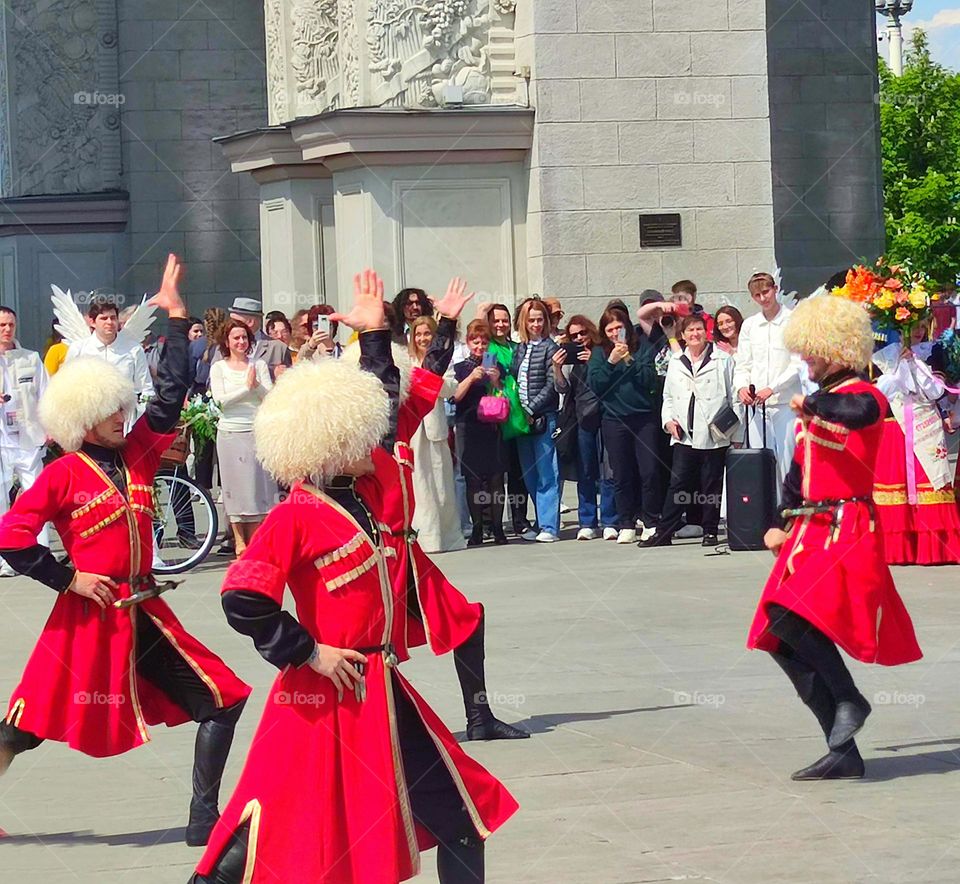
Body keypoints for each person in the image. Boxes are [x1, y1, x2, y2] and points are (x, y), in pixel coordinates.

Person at [190, 270, 518, 884]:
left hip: (380, 687)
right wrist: (308, 651)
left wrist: (378, 336)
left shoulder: (364, 486)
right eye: (357, 434)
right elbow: (241, 597)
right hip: (320, 696)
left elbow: (390, 397)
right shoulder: (296, 514)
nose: (373, 438)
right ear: (326, 443)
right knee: (258, 831)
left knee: (464, 815)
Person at [0, 255, 250, 845]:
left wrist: (175, 318)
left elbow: (166, 399)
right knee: (26, 726)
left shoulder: (137, 453)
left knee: (223, 700)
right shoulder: (61, 475)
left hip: (144, 614)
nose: (123, 415)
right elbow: (11, 536)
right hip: (86, 620)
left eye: (121, 405)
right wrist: (68, 580)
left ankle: (201, 818)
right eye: (110, 410)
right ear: (84, 418)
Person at [747, 294, 922, 781]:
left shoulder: (865, 394)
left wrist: (812, 402)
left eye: (813, 349)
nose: (806, 358)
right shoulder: (820, 403)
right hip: (809, 530)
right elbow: (800, 469)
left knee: (789, 613)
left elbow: (858, 412)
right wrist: (779, 518)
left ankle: (849, 698)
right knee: (777, 634)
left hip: (847, 529)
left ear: (836, 348)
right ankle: (841, 747)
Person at [641, 313, 738, 548]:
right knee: (678, 484)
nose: (695, 334)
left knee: (711, 484)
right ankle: (664, 532)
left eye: (699, 329)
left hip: (715, 433)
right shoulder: (676, 361)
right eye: (690, 331)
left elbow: (733, 397)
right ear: (682, 336)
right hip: (684, 433)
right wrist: (668, 421)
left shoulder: (722, 359)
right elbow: (668, 396)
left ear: (706, 332)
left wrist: (737, 435)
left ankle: (710, 531)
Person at [871, 321, 960, 564]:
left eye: (922, 325)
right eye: (911, 327)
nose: (917, 331)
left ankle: (935, 548)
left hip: (926, 426)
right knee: (895, 479)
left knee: (929, 478)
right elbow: (881, 391)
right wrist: (899, 365)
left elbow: (936, 392)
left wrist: (915, 365)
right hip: (894, 424)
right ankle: (898, 548)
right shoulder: (883, 353)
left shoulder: (934, 350)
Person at [587, 305, 662, 544]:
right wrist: (611, 361)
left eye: (618, 327)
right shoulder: (600, 352)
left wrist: (628, 358)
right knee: (621, 473)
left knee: (649, 471)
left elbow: (650, 381)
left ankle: (650, 520)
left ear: (627, 326)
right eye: (610, 329)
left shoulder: (641, 346)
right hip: (614, 420)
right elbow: (596, 385)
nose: (614, 333)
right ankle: (626, 522)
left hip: (644, 418)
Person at [209, 320, 275, 556]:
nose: (241, 342)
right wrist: (247, 389)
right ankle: (238, 540)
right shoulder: (219, 368)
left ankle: (257, 538)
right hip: (230, 433)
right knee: (235, 489)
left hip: (256, 431)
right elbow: (220, 401)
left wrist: (256, 386)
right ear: (227, 342)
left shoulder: (258, 365)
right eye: (236, 338)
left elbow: (270, 397)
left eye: (244, 338)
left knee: (258, 488)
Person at [733, 272, 802, 488]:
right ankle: (762, 511)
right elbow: (743, 363)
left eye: (766, 292)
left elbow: (797, 363)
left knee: (787, 460)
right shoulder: (750, 325)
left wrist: (772, 388)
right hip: (757, 407)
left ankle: (790, 510)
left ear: (775, 289)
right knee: (760, 462)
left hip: (785, 404)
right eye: (757, 295)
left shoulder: (793, 320)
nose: (763, 298)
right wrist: (742, 387)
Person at [554, 315, 618, 541]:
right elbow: (562, 389)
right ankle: (587, 521)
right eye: (574, 336)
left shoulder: (604, 351)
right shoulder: (574, 361)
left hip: (606, 416)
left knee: (609, 471)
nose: (580, 338)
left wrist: (594, 361)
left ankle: (610, 520)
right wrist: (557, 367)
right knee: (586, 471)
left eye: (583, 333)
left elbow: (611, 380)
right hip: (582, 419)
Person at [408, 316, 465, 553]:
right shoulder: (405, 360)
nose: (422, 338)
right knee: (418, 484)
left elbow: (451, 388)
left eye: (427, 334)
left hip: (435, 426)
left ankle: (447, 537)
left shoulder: (444, 359)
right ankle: (424, 538)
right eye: (418, 334)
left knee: (441, 483)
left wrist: (428, 381)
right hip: (411, 429)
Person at [0, 307, 49, 577]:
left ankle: (39, 554)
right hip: (1, 440)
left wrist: (51, 426)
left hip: (28, 438)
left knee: (36, 496)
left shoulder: (30, 358)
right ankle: (6, 556)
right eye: (2, 325)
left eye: (11, 324)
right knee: (0, 500)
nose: (7, 330)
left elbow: (46, 393)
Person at [512, 299, 563, 542]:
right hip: (522, 420)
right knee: (529, 474)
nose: (535, 324)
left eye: (539, 319)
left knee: (546, 473)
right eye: (531, 319)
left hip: (542, 418)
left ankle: (550, 526)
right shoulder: (519, 348)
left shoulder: (550, 348)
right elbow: (515, 379)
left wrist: (530, 409)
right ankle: (542, 520)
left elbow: (552, 385)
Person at [455, 320, 508, 546]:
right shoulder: (460, 368)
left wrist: (496, 380)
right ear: (468, 343)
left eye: (484, 343)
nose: (480, 347)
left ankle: (497, 528)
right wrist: (471, 378)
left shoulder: (496, 366)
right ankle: (477, 528)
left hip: (492, 427)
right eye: (476, 342)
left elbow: (504, 397)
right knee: (472, 480)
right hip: (469, 426)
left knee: (496, 478)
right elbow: (454, 396)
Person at [483, 302, 533, 538]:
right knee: (494, 474)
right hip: (494, 417)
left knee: (517, 472)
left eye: (504, 320)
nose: (500, 324)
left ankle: (519, 519)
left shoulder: (517, 347)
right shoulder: (488, 348)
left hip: (516, 416)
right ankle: (491, 523)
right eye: (496, 320)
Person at [66, 296, 155, 407]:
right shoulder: (78, 349)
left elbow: (146, 389)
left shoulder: (134, 350)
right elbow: (67, 386)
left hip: (125, 418)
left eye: (113, 318)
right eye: (104, 318)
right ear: (92, 322)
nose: (109, 322)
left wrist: (139, 416)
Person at [215, 297, 292, 380]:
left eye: (235, 321)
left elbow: (288, 384)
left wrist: (274, 374)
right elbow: (211, 380)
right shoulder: (224, 346)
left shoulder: (278, 348)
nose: (230, 324)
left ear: (250, 322)